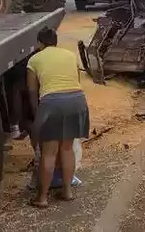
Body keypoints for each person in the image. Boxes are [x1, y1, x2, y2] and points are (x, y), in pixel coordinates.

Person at [26, 27, 89, 208]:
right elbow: (75, 81)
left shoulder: (34, 60)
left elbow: (32, 91)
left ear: (39, 43)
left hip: (52, 103)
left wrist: (37, 114)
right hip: (77, 100)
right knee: (67, 149)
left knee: (49, 152)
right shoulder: (69, 55)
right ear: (55, 41)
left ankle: (43, 198)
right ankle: (67, 192)